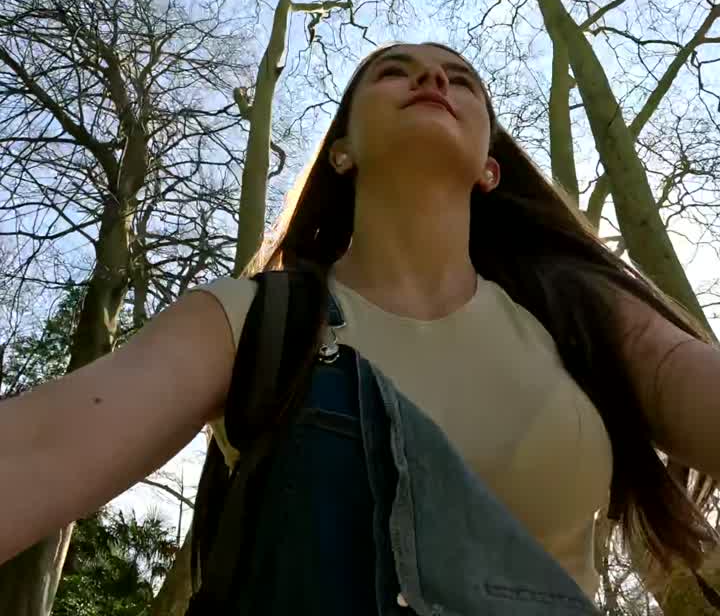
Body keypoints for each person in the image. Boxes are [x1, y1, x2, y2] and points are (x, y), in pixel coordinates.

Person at [2, 42, 719, 612]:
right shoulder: (253, 319)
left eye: (460, 80)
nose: (432, 79)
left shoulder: (577, 312)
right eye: (393, 72)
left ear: (490, 169)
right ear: (341, 149)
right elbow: (42, 446)